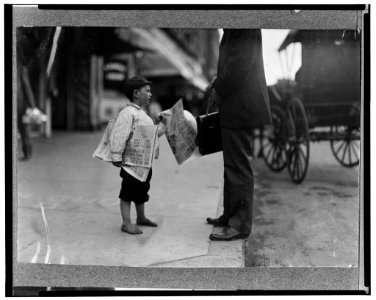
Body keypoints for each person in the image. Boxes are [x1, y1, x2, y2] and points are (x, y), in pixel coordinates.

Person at [206, 29, 272, 241]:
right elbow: (234, 63)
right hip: (237, 103)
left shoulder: (245, 19)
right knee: (232, 164)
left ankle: (240, 223)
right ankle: (231, 215)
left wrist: (220, 88)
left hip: (241, 104)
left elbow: (240, 64)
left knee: (238, 165)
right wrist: (218, 83)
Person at [110, 76, 165, 235]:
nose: (150, 94)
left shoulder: (144, 114)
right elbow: (119, 134)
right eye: (147, 91)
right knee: (127, 192)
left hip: (144, 163)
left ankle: (141, 217)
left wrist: (162, 127)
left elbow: (151, 135)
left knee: (142, 190)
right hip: (131, 163)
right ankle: (126, 223)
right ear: (135, 93)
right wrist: (116, 155)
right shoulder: (127, 113)